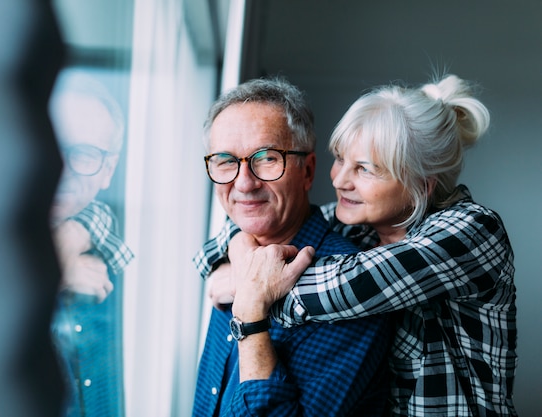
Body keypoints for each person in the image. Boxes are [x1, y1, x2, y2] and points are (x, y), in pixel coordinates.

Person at [195, 74, 518, 416]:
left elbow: (352, 285)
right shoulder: (360, 228)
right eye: (340, 158)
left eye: (364, 169)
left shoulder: (472, 230)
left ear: (420, 185)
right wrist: (236, 260)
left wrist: (250, 291)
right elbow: (231, 236)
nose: (338, 179)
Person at [192, 78, 392, 417]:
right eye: (225, 161)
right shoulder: (234, 252)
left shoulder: (351, 290)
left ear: (308, 171)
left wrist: (251, 311)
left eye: (267, 158)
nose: (243, 183)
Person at [49, 71, 134, 417]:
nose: (63, 168)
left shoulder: (114, 253)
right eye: (56, 145)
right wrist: (51, 266)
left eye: (83, 155)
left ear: (108, 170)